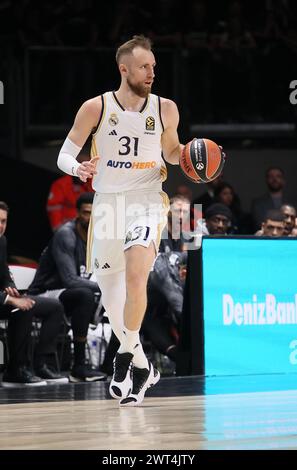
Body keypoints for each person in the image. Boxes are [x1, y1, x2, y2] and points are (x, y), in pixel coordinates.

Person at [56, 35, 217, 406]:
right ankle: (144, 365)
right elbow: (64, 153)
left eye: (155, 67)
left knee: (135, 273)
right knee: (113, 301)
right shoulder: (95, 108)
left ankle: (124, 357)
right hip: (108, 204)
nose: (152, 73)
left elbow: (173, 152)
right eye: (145, 66)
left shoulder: (166, 109)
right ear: (124, 68)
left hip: (147, 200)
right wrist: (78, 167)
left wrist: (193, 159)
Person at [28, 193, 106, 383]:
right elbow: (70, 280)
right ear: (78, 213)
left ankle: (109, 363)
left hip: (70, 294)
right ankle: (78, 365)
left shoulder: (96, 237)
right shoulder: (66, 234)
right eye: (86, 213)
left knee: (119, 297)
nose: (90, 218)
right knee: (85, 295)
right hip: (45, 292)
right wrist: (105, 286)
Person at [0, 201, 67, 387]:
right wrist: (9, 299)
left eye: (4, 221)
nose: (1, 226)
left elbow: (4, 274)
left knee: (47, 307)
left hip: (2, 300)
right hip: (2, 300)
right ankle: (15, 369)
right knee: (21, 307)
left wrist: (9, 286)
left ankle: (36, 366)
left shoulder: (1, 241)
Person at [47, 153, 93, 231]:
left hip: (90, 228)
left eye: (88, 168)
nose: (85, 170)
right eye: (83, 167)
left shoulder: (93, 182)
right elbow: (53, 209)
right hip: (68, 228)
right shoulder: (61, 184)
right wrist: (59, 231)